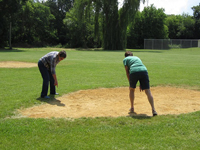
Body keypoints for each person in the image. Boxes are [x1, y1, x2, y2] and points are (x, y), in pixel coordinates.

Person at [123, 51, 157, 116]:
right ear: (132, 55)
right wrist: (142, 84)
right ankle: (153, 110)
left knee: (132, 89)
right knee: (147, 91)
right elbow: (140, 69)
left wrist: (130, 83)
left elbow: (127, 72)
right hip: (144, 71)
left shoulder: (125, 59)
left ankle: (132, 108)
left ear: (125, 56)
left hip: (134, 71)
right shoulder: (137, 57)